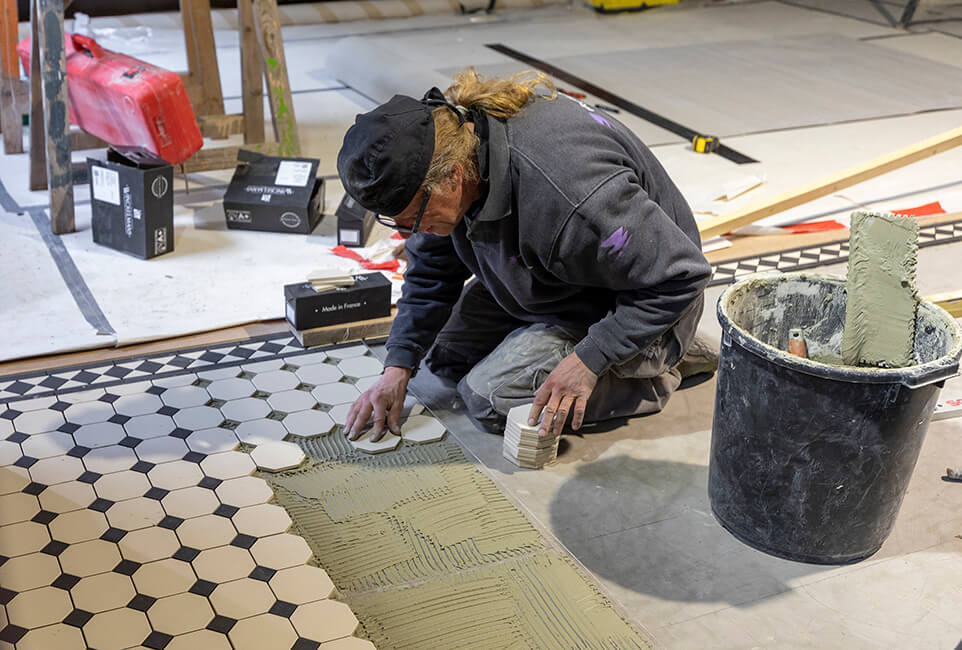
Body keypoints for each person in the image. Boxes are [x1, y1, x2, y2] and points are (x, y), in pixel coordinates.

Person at [336, 68, 713, 442]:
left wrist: (590, 359)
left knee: (490, 398)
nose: (409, 232)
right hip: (554, 277)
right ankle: (567, 347)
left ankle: (658, 368)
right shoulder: (453, 152)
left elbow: (683, 275)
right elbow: (432, 273)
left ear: (451, 176)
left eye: (413, 218)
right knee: (442, 355)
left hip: (639, 297)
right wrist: (396, 368)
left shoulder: (570, 194)